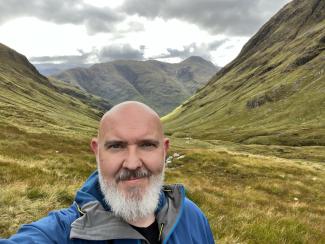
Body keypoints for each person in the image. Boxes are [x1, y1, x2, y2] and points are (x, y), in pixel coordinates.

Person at [1, 101, 215, 244]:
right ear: (97, 151)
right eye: (116, 146)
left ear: (164, 150)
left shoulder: (191, 215)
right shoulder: (64, 233)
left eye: (147, 145)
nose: (132, 164)